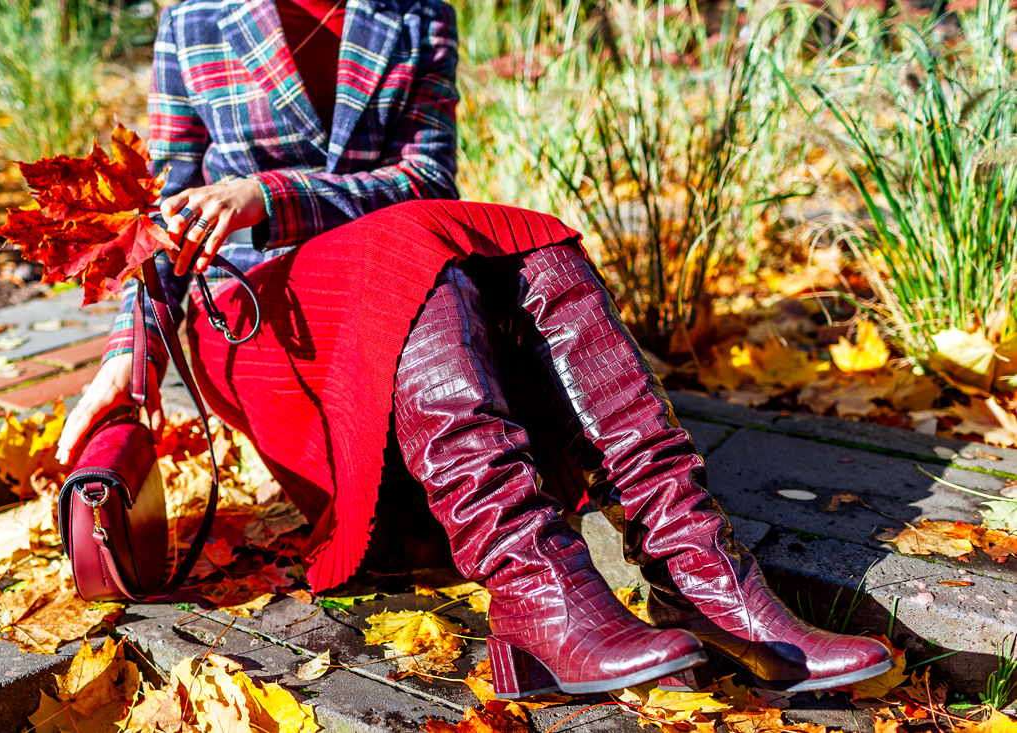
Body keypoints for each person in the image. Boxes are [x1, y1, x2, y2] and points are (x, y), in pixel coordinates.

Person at [56, 0, 892, 699]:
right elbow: (159, 218)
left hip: (411, 281)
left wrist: (272, 191)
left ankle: (697, 571)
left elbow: (428, 181)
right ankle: (537, 583)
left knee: (530, 245)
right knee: (421, 254)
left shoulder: (417, 9)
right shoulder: (196, 16)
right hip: (267, 325)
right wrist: (132, 354)